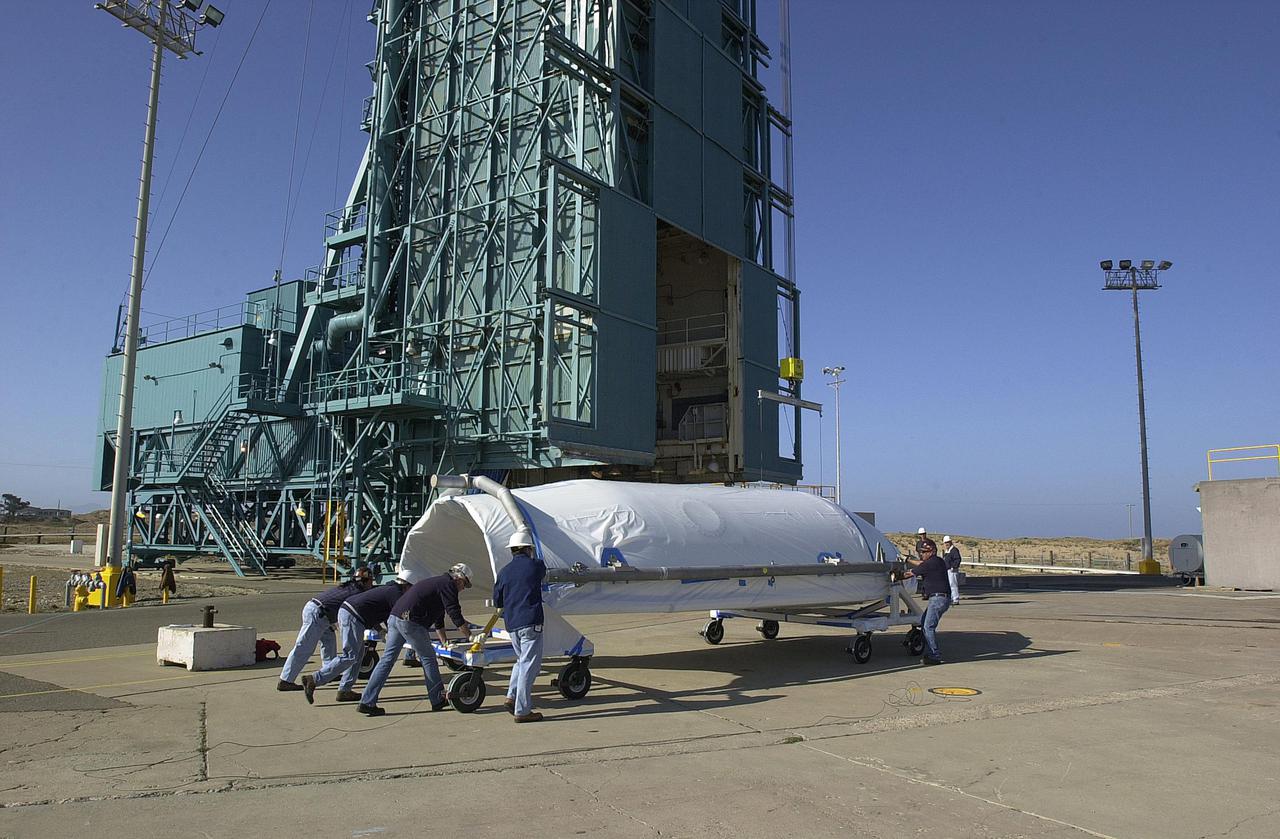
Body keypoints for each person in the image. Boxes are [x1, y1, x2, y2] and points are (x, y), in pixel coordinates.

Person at [357, 563, 476, 716]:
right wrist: (469, 636)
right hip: (410, 621)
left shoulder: (438, 583)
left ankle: (367, 701)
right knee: (429, 658)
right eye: (465, 584)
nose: (463, 588)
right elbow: (454, 613)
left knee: (387, 660)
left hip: (395, 618)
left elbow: (439, 617)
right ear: (459, 579)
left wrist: (444, 641)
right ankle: (437, 699)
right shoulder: (448, 585)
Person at [279, 568, 375, 693]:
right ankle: (285, 680)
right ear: (366, 581)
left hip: (322, 614)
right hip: (318, 614)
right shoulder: (357, 593)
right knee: (304, 647)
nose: (371, 584)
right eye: (371, 581)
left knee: (329, 642)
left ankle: (329, 672)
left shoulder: (350, 587)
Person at [492, 531, 546, 723]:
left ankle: (511, 696)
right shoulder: (535, 565)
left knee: (521, 661)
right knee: (529, 666)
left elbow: (497, 599)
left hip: (512, 623)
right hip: (531, 621)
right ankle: (522, 710)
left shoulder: (504, 572)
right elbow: (542, 571)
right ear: (528, 548)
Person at [903, 540, 950, 665]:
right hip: (941, 598)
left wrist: (895, 576)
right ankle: (925, 647)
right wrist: (908, 560)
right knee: (924, 622)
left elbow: (910, 573)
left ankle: (934, 655)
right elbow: (920, 564)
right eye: (920, 552)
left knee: (928, 627)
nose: (921, 554)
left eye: (924, 552)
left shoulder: (929, 564)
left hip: (937, 599)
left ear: (932, 551)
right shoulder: (938, 561)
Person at [942, 536, 962, 604]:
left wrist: (953, 567)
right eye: (945, 543)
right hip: (947, 570)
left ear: (950, 542)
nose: (946, 544)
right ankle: (951, 598)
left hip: (952, 570)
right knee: (949, 585)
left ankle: (955, 599)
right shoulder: (947, 551)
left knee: (953, 585)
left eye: (947, 542)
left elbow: (958, 559)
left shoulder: (954, 550)